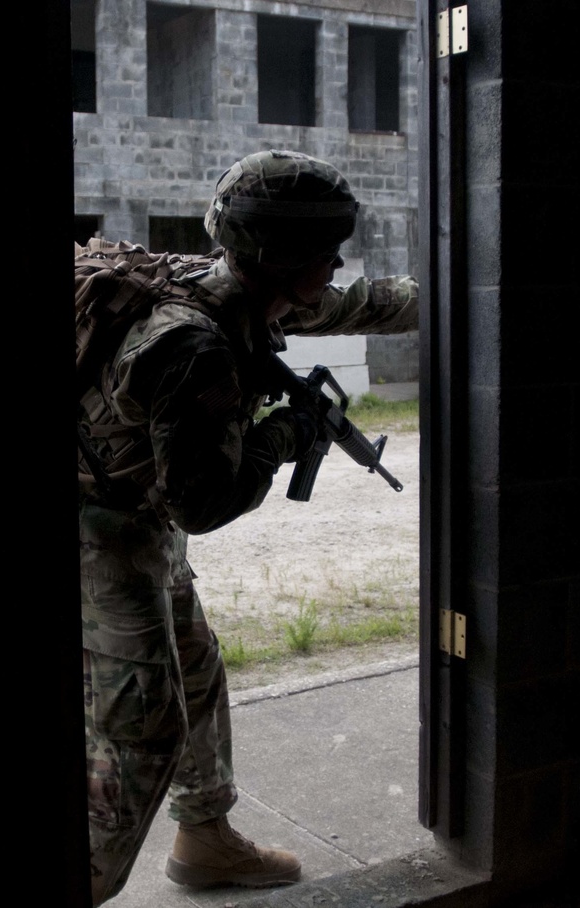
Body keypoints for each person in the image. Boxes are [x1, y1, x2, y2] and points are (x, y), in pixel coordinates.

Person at [78, 148, 419, 905]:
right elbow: (203, 504)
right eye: (326, 252)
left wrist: (460, 290)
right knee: (141, 729)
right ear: (281, 257)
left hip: (134, 514)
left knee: (195, 668)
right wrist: (288, 436)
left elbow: (359, 302)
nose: (336, 265)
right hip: (99, 529)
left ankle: (206, 838)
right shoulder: (192, 345)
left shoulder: (239, 287)